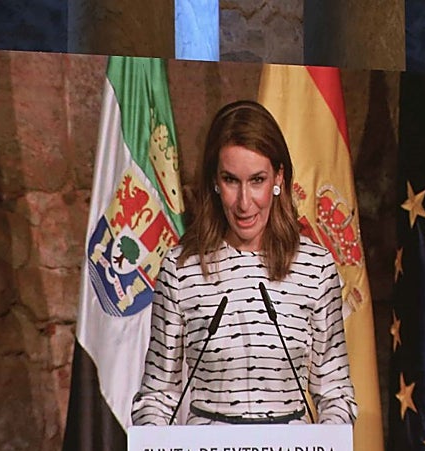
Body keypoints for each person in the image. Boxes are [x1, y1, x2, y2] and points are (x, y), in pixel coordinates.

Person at [131, 99, 356, 426]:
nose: (244, 202)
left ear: (278, 178)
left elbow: (336, 394)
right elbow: (156, 396)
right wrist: (155, 450)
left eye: (257, 180)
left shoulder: (316, 267)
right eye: (231, 180)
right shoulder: (181, 270)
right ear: (214, 181)